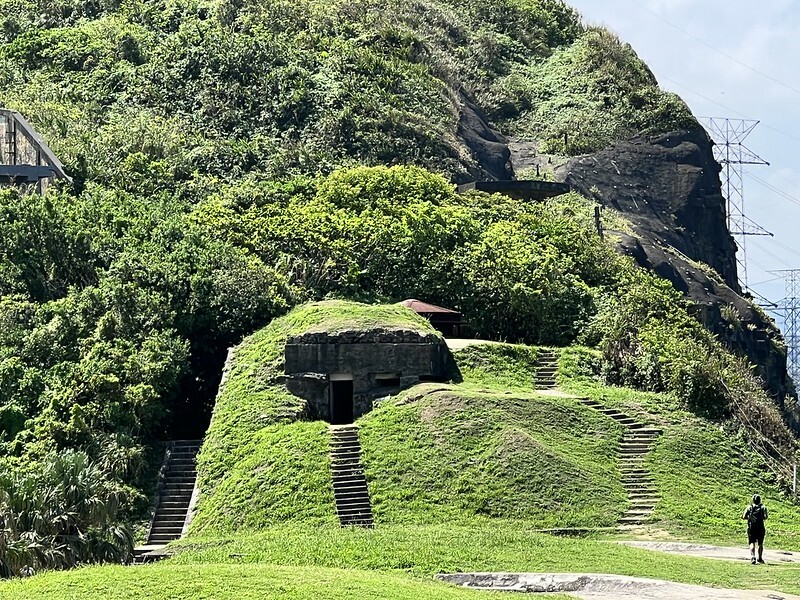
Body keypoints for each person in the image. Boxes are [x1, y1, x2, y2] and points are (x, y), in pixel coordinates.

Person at [742, 494, 768, 564]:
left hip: (751, 527)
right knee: (760, 543)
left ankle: (753, 557)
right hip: (760, 527)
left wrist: (750, 518)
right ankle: (760, 558)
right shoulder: (763, 507)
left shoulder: (749, 507)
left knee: (752, 542)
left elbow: (744, 516)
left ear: (753, 500)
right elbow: (765, 517)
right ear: (760, 500)